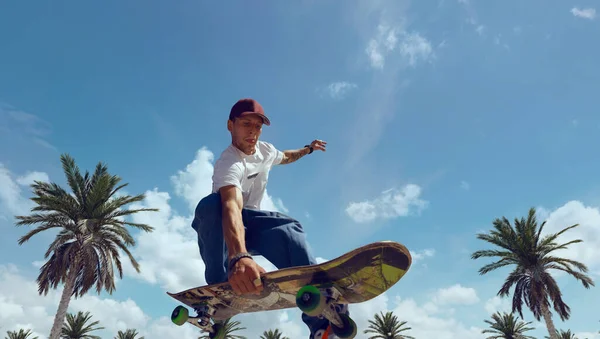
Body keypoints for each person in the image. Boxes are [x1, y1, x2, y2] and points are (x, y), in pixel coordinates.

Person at [191, 98, 349, 338]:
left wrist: (308, 149)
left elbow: (285, 156)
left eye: (257, 126)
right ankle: (220, 286)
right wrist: (239, 257)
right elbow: (231, 205)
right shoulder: (228, 162)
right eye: (246, 124)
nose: (252, 132)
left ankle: (322, 318)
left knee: (289, 228)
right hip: (223, 228)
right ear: (230, 125)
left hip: (253, 224)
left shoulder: (265, 150)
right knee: (211, 205)